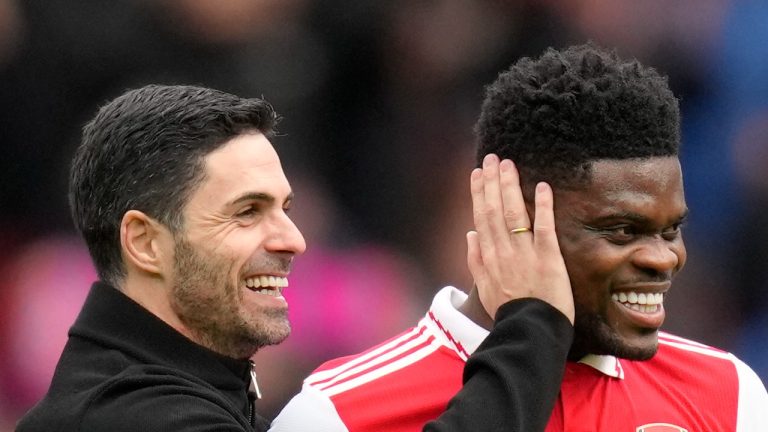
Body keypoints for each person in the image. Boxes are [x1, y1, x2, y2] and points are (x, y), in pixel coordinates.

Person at [16, 84, 576, 432]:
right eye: (246, 212)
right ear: (144, 242)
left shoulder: (170, 394)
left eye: (285, 207)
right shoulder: (129, 417)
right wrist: (532, 328)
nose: (294, 239)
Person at [270, 43, 768, 431]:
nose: (664, 259)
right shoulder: (338, 416)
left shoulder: (729, 395)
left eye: (671, 230)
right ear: (511, 217)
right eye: (622, 230)